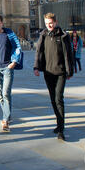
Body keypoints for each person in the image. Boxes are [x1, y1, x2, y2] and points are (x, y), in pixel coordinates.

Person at [33, 13, 74, 141]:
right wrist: (36, 67)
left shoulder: (63, 35)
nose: (49, 25)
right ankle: (58, 123)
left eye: (50, 23)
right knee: (52, 99)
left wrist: (69, 71)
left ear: (55, 22)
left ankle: (61, 130)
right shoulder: (44, 35)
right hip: (48, 72)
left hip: (61, 72)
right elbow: (39, 51)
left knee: (58, 99)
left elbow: (68, 54)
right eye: (46, 23)